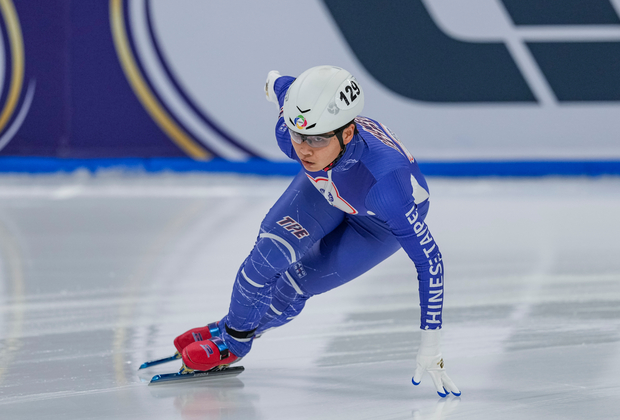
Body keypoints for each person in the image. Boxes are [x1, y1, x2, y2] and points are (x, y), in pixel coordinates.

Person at [173, 65, 460, 397]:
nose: (305, 149)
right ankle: (234, 335)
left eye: (317, 139)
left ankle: (231, 337)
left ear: (347, 134)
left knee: (294, 286)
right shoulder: (293, 130)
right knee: (266, 257)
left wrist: (431, 345)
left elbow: (430, 262)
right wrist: (274, 83)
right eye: (298, 136)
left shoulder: (388, 188)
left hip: (376, 221)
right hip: (327, 186)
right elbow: (283, 85)